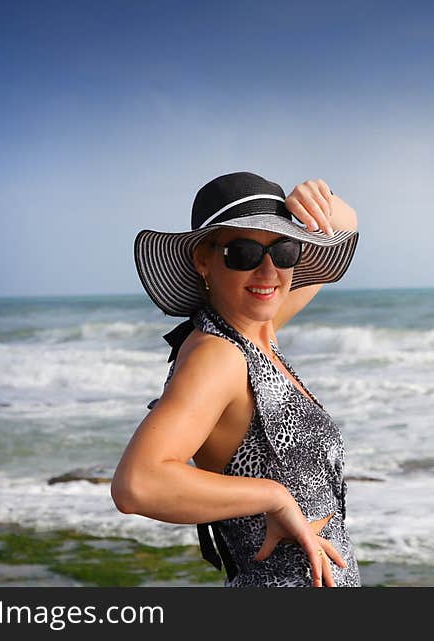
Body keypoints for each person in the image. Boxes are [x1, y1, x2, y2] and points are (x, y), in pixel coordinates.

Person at [111, 171, 361, 587]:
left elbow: (347, 224)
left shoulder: (255, 330)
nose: (268, 270)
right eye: (243, 253)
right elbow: (137, 484)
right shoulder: (218, 355)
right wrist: (272, 496)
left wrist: (316, 198)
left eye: (283, 250)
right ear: (203, 259)